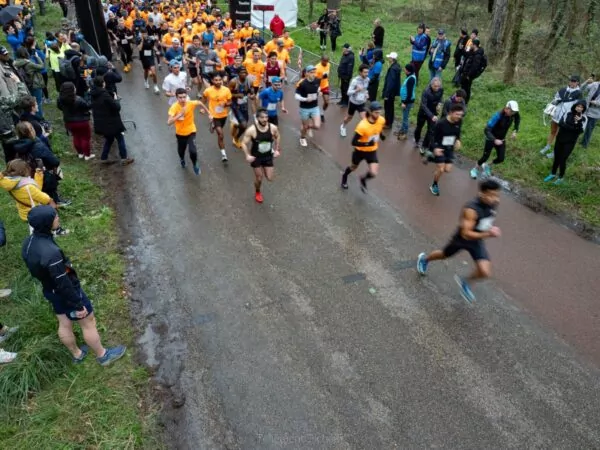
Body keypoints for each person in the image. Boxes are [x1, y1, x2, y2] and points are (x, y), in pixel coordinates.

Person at [23, 205, 127, 365]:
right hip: (66, 292)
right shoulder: (51, 254)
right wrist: (77, 304)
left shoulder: (29, 242)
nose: (58, 218)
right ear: (46, 223)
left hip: (50, 290)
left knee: (64, 322)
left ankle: (77, 354)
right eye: (54, 217)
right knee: (88, 322)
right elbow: (63, 282)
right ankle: (103, 356)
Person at [417, 179, 502, 304]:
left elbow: (486, 219)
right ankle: (425, 259)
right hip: (462, 239)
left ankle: (465, 282)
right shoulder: (471, 210)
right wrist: (488, 233)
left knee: (485, 272)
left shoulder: (493, 203)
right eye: (492, 195)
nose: (495, 199)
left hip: (477, 240)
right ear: (482, 193)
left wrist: (489, 228)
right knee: (444, 255)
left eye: (497, 195)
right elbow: (466, 234)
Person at [14, 121, 68, 206]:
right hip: (42, 172)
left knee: (38, 189)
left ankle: (40, 201)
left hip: (28, 174)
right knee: (50, 187)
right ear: (31, 131)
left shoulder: (17, 146)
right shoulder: (37, 144)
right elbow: (53, 161)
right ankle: (55, 201)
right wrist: (55, 165)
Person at [340, 101, 386, 192]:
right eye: (376, 113)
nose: (378, 115)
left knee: (373, 173)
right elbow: (353, 142)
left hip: (372, 151)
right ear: (370, 112)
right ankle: (345, 175)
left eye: (379, 112)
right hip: (359, 151)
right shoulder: (362, 126)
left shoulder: (381, 120)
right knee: (353, 167)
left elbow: (379, 128)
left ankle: (363, 179)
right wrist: (367, 144)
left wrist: (381, 135)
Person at [240, 108, 281, 204]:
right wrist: (247, 155)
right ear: (257, 118)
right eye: (262, 117)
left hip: (268, 155)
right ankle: (257, 192)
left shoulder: (273, 128)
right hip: (256, 157)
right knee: (259, 178)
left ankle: (264, 168)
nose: (265, 119)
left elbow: (278, 136)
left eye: (266, 117)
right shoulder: (251, 130)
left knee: (270, 178)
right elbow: (243, 143)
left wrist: (277, 149)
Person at [90, 76, 134, 166]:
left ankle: (104, 158)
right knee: (120, 138)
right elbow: (116, 107)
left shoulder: (93, 95)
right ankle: (124, 158)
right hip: (111, 122)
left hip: (101, 123)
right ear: (102, 83)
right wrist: (115, 99)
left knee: (109, 139)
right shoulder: (104, 95)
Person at [470, 101, 519, 179]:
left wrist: (515, 131)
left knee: (501, 158)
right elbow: (486, 130)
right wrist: (494, 140)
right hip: (491, 138)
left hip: (501, 140)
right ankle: (474, 169)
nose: (513, 113)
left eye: (514, 112)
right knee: (485, 157)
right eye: (512, 111)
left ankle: (487, 165)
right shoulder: (498, 116)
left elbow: (517, 119)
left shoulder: (514, 114)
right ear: (506, 108)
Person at [544, 100, 587, 185]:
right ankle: (552, 174)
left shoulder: (584, 118)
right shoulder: (568, 113)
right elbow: (560, 123)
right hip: (560, 138)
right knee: (556, 157)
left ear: (583, 109)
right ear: (575, 106)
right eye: (578, 106)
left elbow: (580, 131)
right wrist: (573, 128)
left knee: (563, 159)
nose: (579, 108)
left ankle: (561, 177)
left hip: (570, 141)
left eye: (581, 107)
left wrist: (578, 122)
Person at [167, 87, 208, 175]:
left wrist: (209, 113)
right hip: (180, 133)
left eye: (184, 97)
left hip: (191, 131)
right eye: (180, 97)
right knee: (181, 151)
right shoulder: (174, 107)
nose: (183, 99)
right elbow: (169, 122)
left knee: (193, 151)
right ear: (176, 97)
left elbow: (200, 102)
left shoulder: (190, 103)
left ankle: (195, 164)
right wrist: (179, 115)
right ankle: (182, 159)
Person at [540, 75, 582, 157]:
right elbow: (555, 99)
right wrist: (554, 103)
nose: (572, 82)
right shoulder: (562, 90)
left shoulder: (578, 93)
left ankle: (555, 152)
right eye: (571, 80)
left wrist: (575, 116)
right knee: (552, 131)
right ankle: (547, 146)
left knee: (559, 135)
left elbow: (578, 107)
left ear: (577, 82)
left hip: (565, 118)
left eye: (574, 81)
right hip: (556, 115)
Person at [428, 104, 464, 196]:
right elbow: (432, 136)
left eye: (461, 115)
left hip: (449, 148)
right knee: (441, 169)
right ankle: (434, 185)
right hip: (439, 147)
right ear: (451, 113)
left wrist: (458, 140)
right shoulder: (441, 123)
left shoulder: (459, 121)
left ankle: (432, 159)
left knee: (447, 170)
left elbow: (458, 131)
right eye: (457, 114)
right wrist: (435, 148)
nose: (459, 117)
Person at [57, 82, 94, 160]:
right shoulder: (78, 99)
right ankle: (87, 155)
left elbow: (60, 108)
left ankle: (80, 153)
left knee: (76, 136)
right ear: (72, 90)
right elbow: (87, 106)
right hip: (82, 122)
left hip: (69, 122)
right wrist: (89, 96)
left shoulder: (60, 99)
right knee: (85, 138)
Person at [203, 73, 232, 162]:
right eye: (216, 80)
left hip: (223, 115)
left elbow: (230, 102)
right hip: (214, 115)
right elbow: (204, 99)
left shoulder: (226, 90)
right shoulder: (208, 90)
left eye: (220, 80)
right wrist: (203, 108)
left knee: (220, 131)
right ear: (212, 81)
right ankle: (223, 154)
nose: (218, 82)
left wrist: (225, 104)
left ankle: (213, 125)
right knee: (220, 134)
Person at [414, 77, 443, 154]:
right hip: (423, 113)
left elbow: (441, 98)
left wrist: (440, 103)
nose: (437, 88)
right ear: (431, 84)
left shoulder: (440, 89)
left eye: (438, 86)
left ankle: (424, 146)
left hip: (433, 112)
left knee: (430, 130)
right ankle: (417, 140)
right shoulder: (426, 91)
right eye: (435, 86)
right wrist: (431, 116)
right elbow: (423, 105)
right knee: (419, 127)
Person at [14, 47, 46, 118]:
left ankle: (32, 116)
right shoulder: (28, 63)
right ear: (26, 53)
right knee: (37, 102)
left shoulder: (15, 63)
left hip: (25, 85)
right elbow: (42, 66)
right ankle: (40, 118)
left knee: (30, 102)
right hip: (35, 84)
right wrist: (37, 57)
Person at [340, 64, 370, 137]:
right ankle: (343, 126)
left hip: (361, 103)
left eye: (367, 72)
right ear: (360, 72)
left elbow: (365, 89)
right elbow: (348, 92)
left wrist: (366, 93)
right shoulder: (355, 81)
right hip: (353, 103)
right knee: (349, 118)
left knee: (365, 119)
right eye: (365, 72)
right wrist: (356, 90)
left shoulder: (367, 80)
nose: (367, 74)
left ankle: (362, 134)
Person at [295, 65, 322, 147]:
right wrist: (305, 99)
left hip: (315, 107)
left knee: (317, 126)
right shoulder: (302, 83)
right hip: (304, 108)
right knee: (304, 127)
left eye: (314, 72)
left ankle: (309, 127)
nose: (313, 74)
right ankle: (302, 138)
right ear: (306, 73)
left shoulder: (317, 80)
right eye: (311, 72)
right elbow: (296, 96)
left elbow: (318, 88)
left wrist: (319, 92)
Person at [229, 67, 252, 148]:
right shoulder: (233, 82)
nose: (244, 74)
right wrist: (236, 95)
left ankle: (235, 125)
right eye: (242, 72)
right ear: (238, 74)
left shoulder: (249, 81)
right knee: (244, 125)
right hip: (235, 105)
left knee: (244, 123)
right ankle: (236, 139)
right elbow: (227, 94)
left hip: (244, 104)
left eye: (245, 72)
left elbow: (251, 90)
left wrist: (252, 94)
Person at [459, 38, 485, 104]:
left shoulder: (478, 56)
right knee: (463, 87)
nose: (470, 45)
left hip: (468, 75)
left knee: (467, 89)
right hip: (465, 73)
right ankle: (461, 99)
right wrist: (462, 49)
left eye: (471, 44)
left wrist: (469, 75)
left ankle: (465, 102)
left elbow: (474, 67)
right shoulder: (472, 51)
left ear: (475, 45)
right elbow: (466, 55)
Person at [396, 64, 417, 140]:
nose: (404, 70)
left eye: (405, 69)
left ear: (409, 71)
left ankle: (404, 133)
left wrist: (405, 103)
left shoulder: (411, 79)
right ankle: (402, 130)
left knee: (405, 117)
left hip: (407, 101)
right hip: (406, 100)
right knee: (404, 116)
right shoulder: (410, 76)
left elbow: (410, 93)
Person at [382, 52, 401, 129]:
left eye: (389, 57)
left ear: (392, 59)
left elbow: (390, 82)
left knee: (388, 108)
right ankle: (389, 122)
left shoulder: (392, 69)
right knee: (391, 107)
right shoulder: (397, 66)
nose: (388, 58)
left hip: (389, 93)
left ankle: (388, 123)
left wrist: (386, 94)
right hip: (393, 92)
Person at [138, 30, 161, 94]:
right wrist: (142, 40)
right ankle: (146, 81)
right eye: (143, 34)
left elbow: (153, 46)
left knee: (153, 72)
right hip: (143, 58)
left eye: (145, 34)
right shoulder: (139, 39)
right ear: (141, 34)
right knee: (146, 71)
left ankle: (155, 86)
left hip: (150, 57)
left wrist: (157, 50)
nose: (144, 35)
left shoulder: (150, 39)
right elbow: (139, 48)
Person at [580, 76, 600, 149]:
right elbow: (581, 89)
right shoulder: (595, 84)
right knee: (579, 124)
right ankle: (573, 138)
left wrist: (596, 102)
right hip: (586, 109)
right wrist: (586, 82)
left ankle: (584, 144)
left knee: (589, 129)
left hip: (595, 113)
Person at [315, 55, 331, 123]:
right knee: (313, 101)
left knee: (327, 102)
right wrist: (321, 78)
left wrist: (326, 79)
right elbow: (314, 79)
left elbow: (327, 74)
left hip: (325, 86)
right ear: (321, 60)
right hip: (317, 86)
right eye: (324, 61)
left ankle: (321, 114)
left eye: (327, 61)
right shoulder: (317, 67)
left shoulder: (328, 65)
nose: (326, 63)